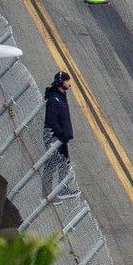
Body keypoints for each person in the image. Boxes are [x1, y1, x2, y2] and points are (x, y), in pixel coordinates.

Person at [42, 70, 75, 199]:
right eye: (67, 81)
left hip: (62, 138)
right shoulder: (54, 99)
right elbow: (51, 121)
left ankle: (62, 189)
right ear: (60, 82)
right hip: (55, 138)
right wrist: (61, 134)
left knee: (64, 163)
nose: (69, 83)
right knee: (52, 164)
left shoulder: (61, 96)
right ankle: (47, 194)